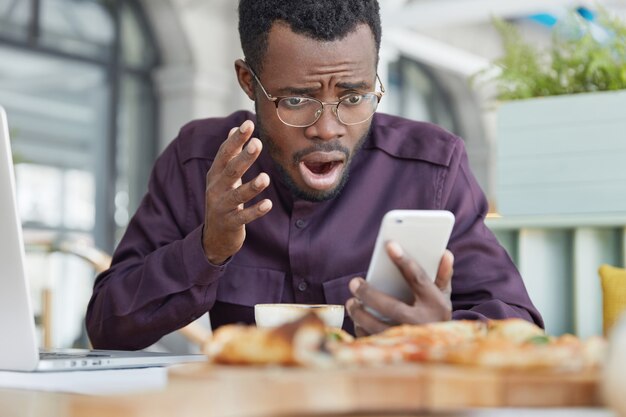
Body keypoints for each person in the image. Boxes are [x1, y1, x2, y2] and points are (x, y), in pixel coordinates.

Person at [86, 0, 543, 350]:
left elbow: (522, 330)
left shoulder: (432, 167)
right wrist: (208, 248)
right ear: (249, 82)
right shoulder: (199, 162)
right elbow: (107, 325)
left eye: (354, 96)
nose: (328, 128)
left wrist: (442, 335)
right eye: (297, 100)